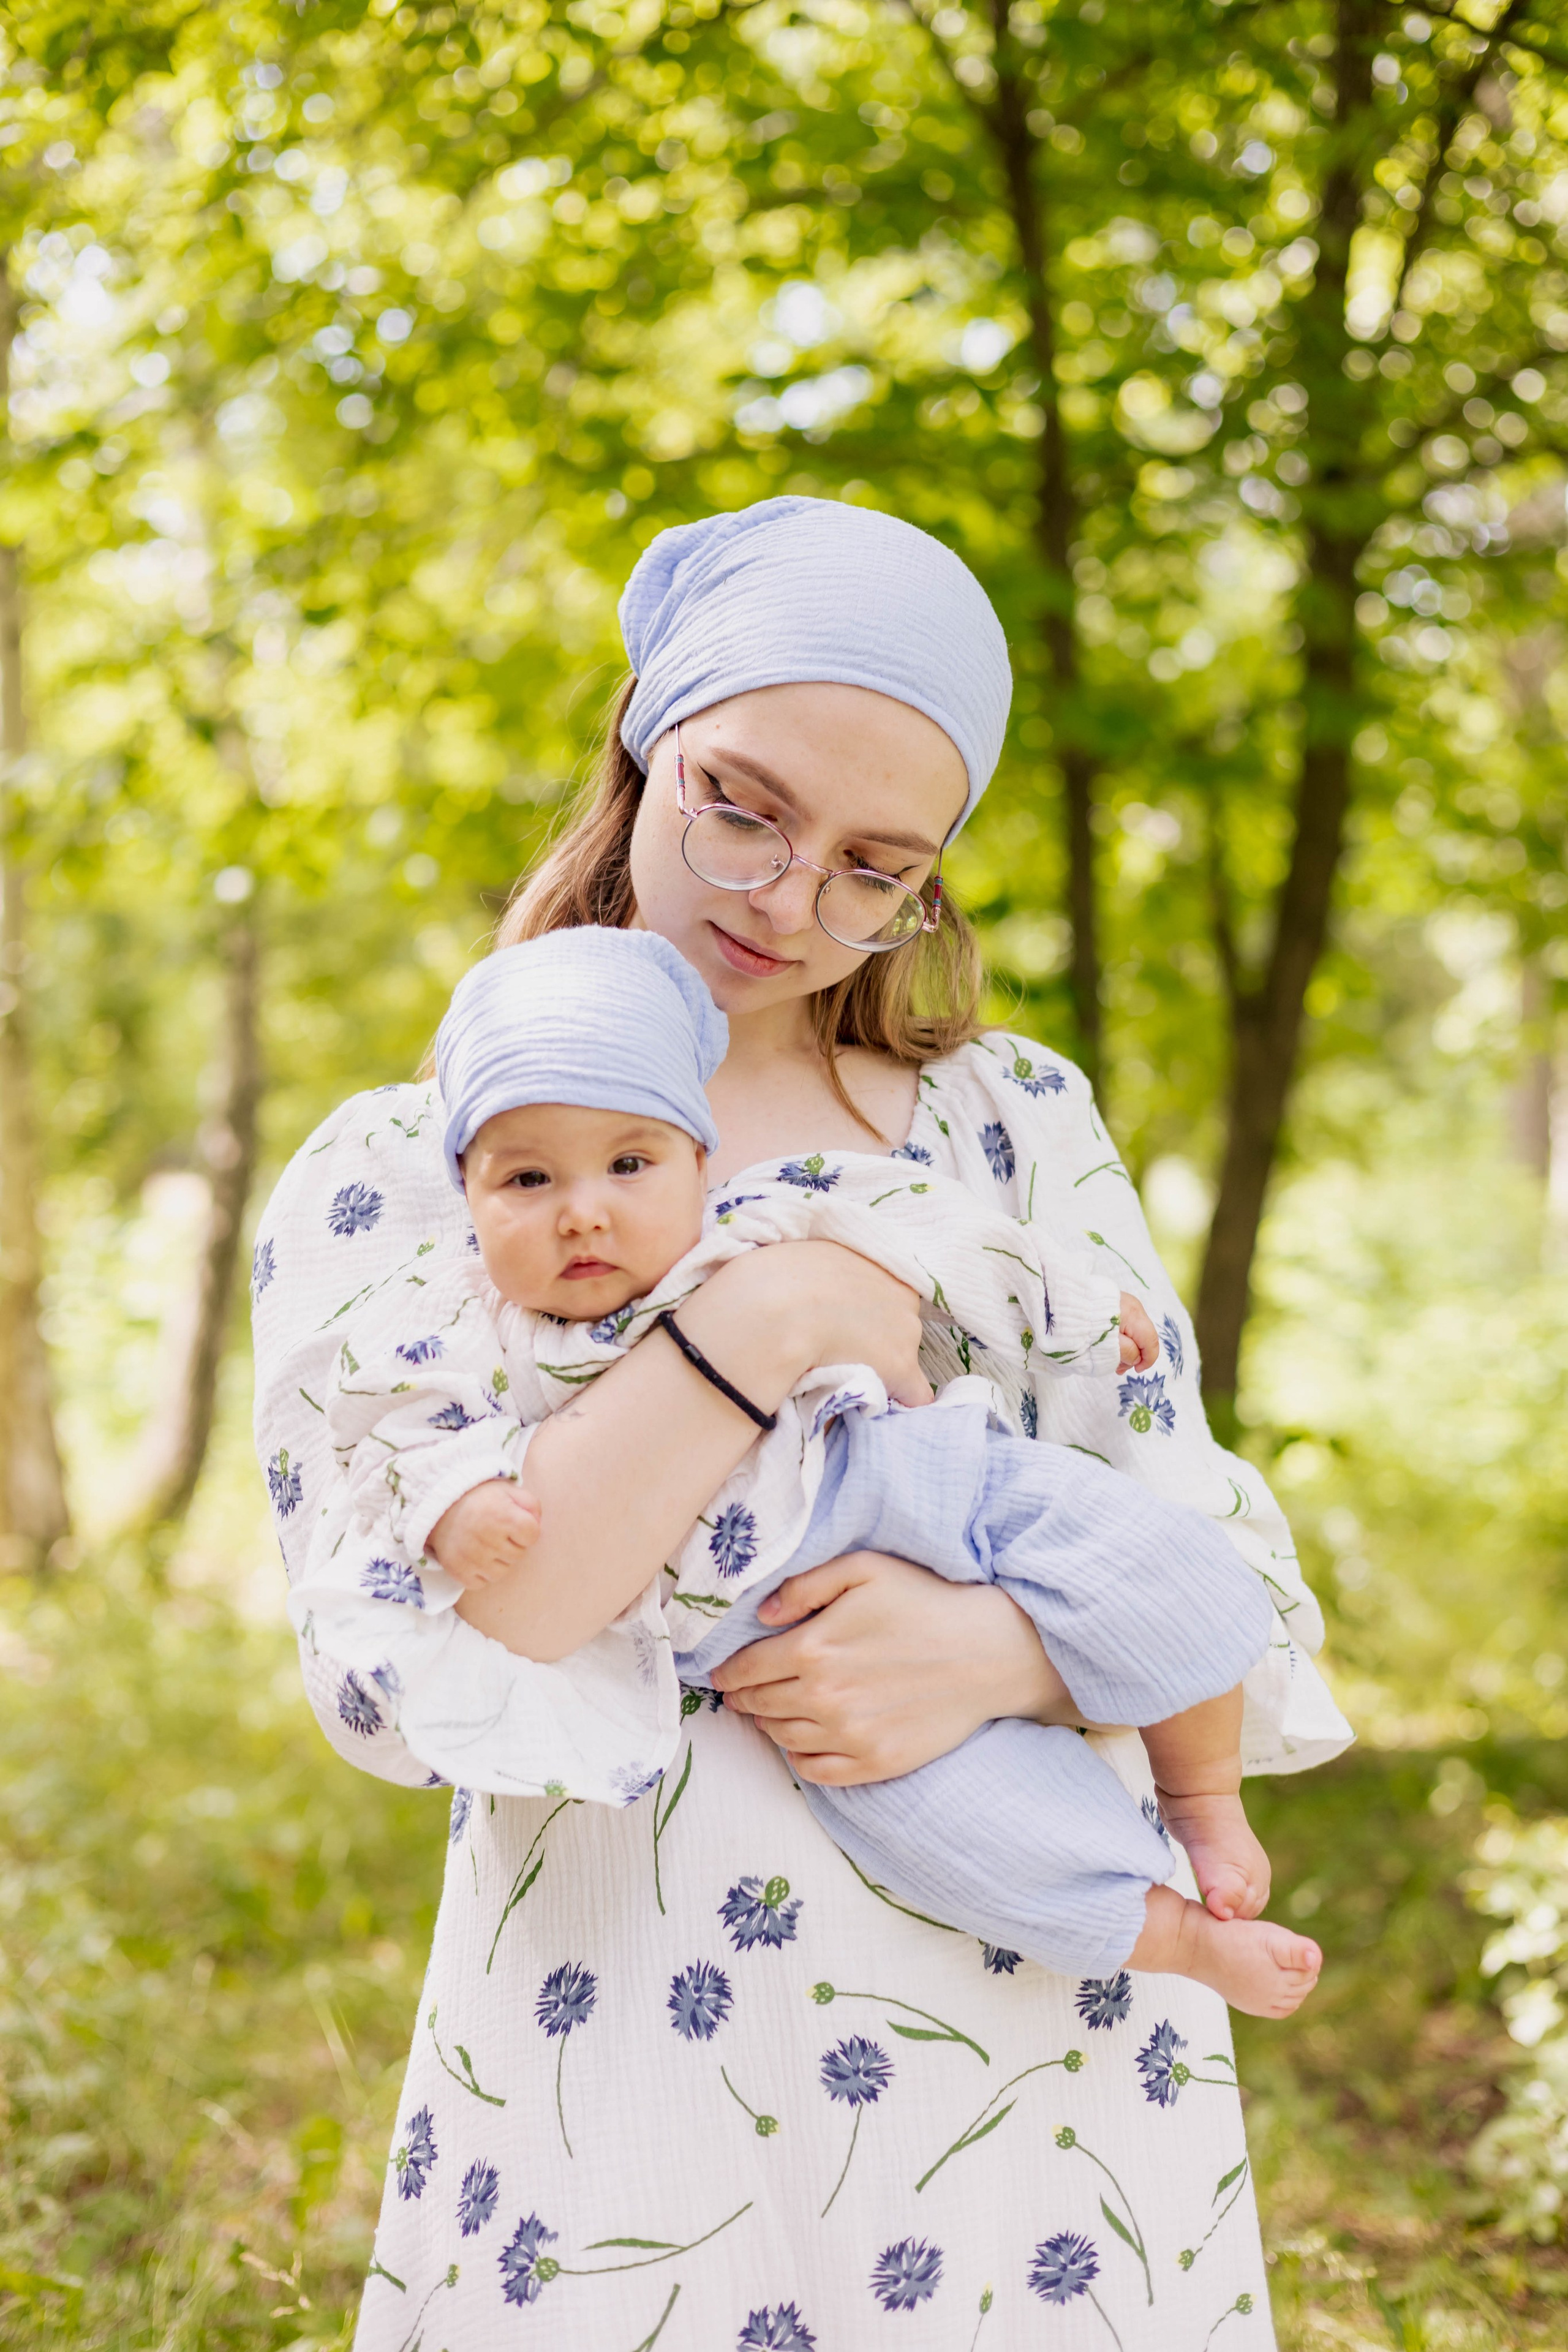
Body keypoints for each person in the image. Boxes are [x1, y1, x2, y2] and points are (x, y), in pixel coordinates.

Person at [253, 495, 1350, 2350]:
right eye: (741, 805)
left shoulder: (1011, 1126)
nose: (786, 900)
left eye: (875, 865)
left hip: (1034, 2057)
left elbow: (1214, 1557)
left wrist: (992, 1652)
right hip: (627, 2046)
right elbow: (464, 1639)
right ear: (642, 745)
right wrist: (761, 1326)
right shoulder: (421, 1169)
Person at [298, 921, 1323, 2009]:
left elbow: (944, 1245)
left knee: (1146, 1553)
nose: (583, 1210)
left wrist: (1070, 1306)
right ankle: (1172, 1936)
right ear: (468, 1193)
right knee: (954, 1827)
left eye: (630, 1163)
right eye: (528, 1180)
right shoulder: (461, 1327)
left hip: (933, 1478)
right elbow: (392, 1439)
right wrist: (454, 1508)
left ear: (701, 1159)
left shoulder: (763, 1220)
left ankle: (1203, 1794)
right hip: (763, 1627)